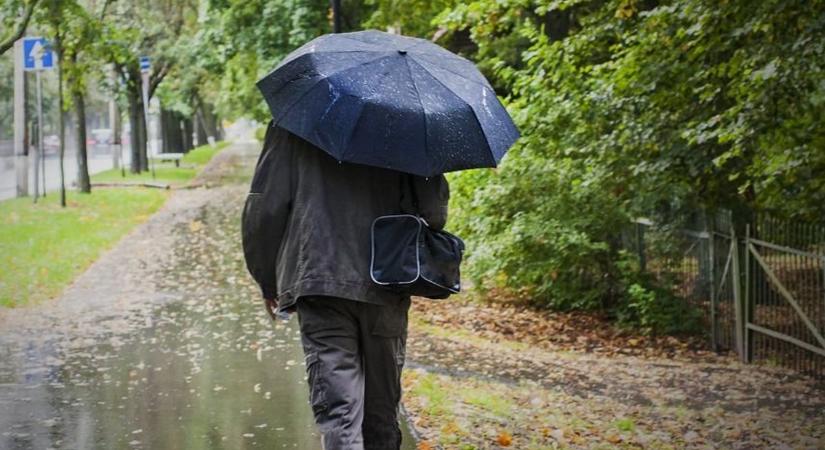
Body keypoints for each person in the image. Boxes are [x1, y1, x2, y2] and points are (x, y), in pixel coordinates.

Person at [241, 122, 449, 450]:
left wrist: (267, 279)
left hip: (319, 278)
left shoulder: (296, 120)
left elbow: (265, 207)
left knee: (339, 414)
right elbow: (433, 213)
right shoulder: (408, 122)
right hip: (386, 280)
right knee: (381, 415)